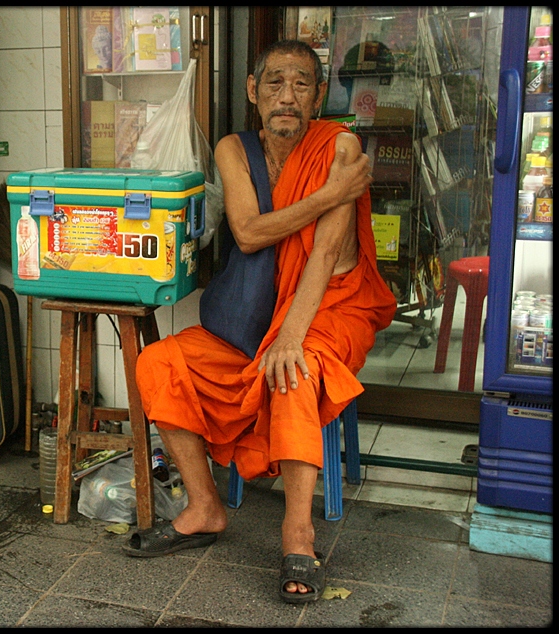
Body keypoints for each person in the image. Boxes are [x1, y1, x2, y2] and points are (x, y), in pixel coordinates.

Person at [123, 39, 396, 603]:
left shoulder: (339, 147)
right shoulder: (233, 149)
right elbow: (248, 233)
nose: (287, 97)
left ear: (319, 95)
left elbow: (324, 253)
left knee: (293, 372)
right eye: (274, 83)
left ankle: (298, 533)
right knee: (160, 362)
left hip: (329, 307)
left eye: (301, 84)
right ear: (253, 91)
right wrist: (330, 195)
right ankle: (204, 507)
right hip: (256, 317)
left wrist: (292, 335)